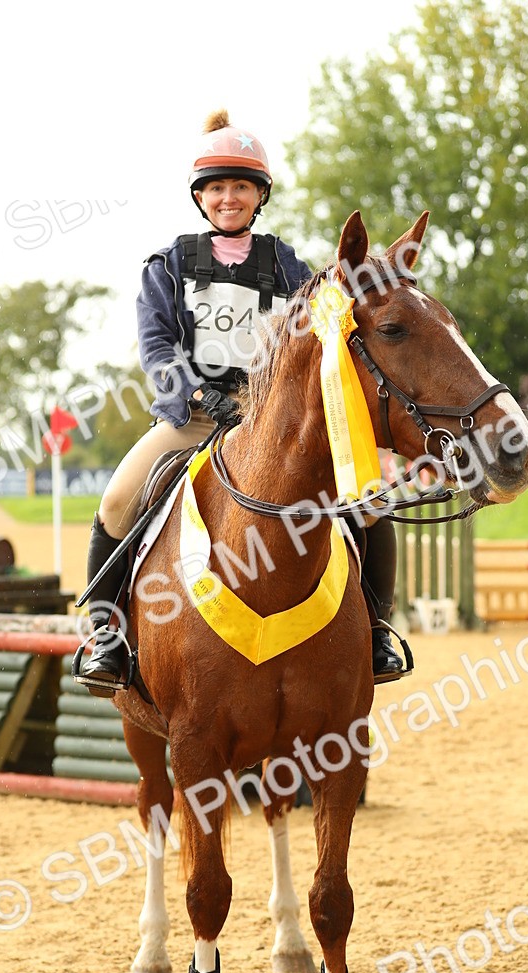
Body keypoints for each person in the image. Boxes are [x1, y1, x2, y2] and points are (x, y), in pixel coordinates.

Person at [76, 110, 402, 692]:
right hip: (193, 415)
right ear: (200, 197)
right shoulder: (169, 264)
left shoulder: (288, 267)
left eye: (242, 187)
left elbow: (323, 335)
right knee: (117, 500)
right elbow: (157, 347)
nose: (230, 198)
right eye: (218, 188)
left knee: (368, 501)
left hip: (271, 420)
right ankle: (107, 635)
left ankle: (376, 630)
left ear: (260, 196)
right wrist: (200, 393)